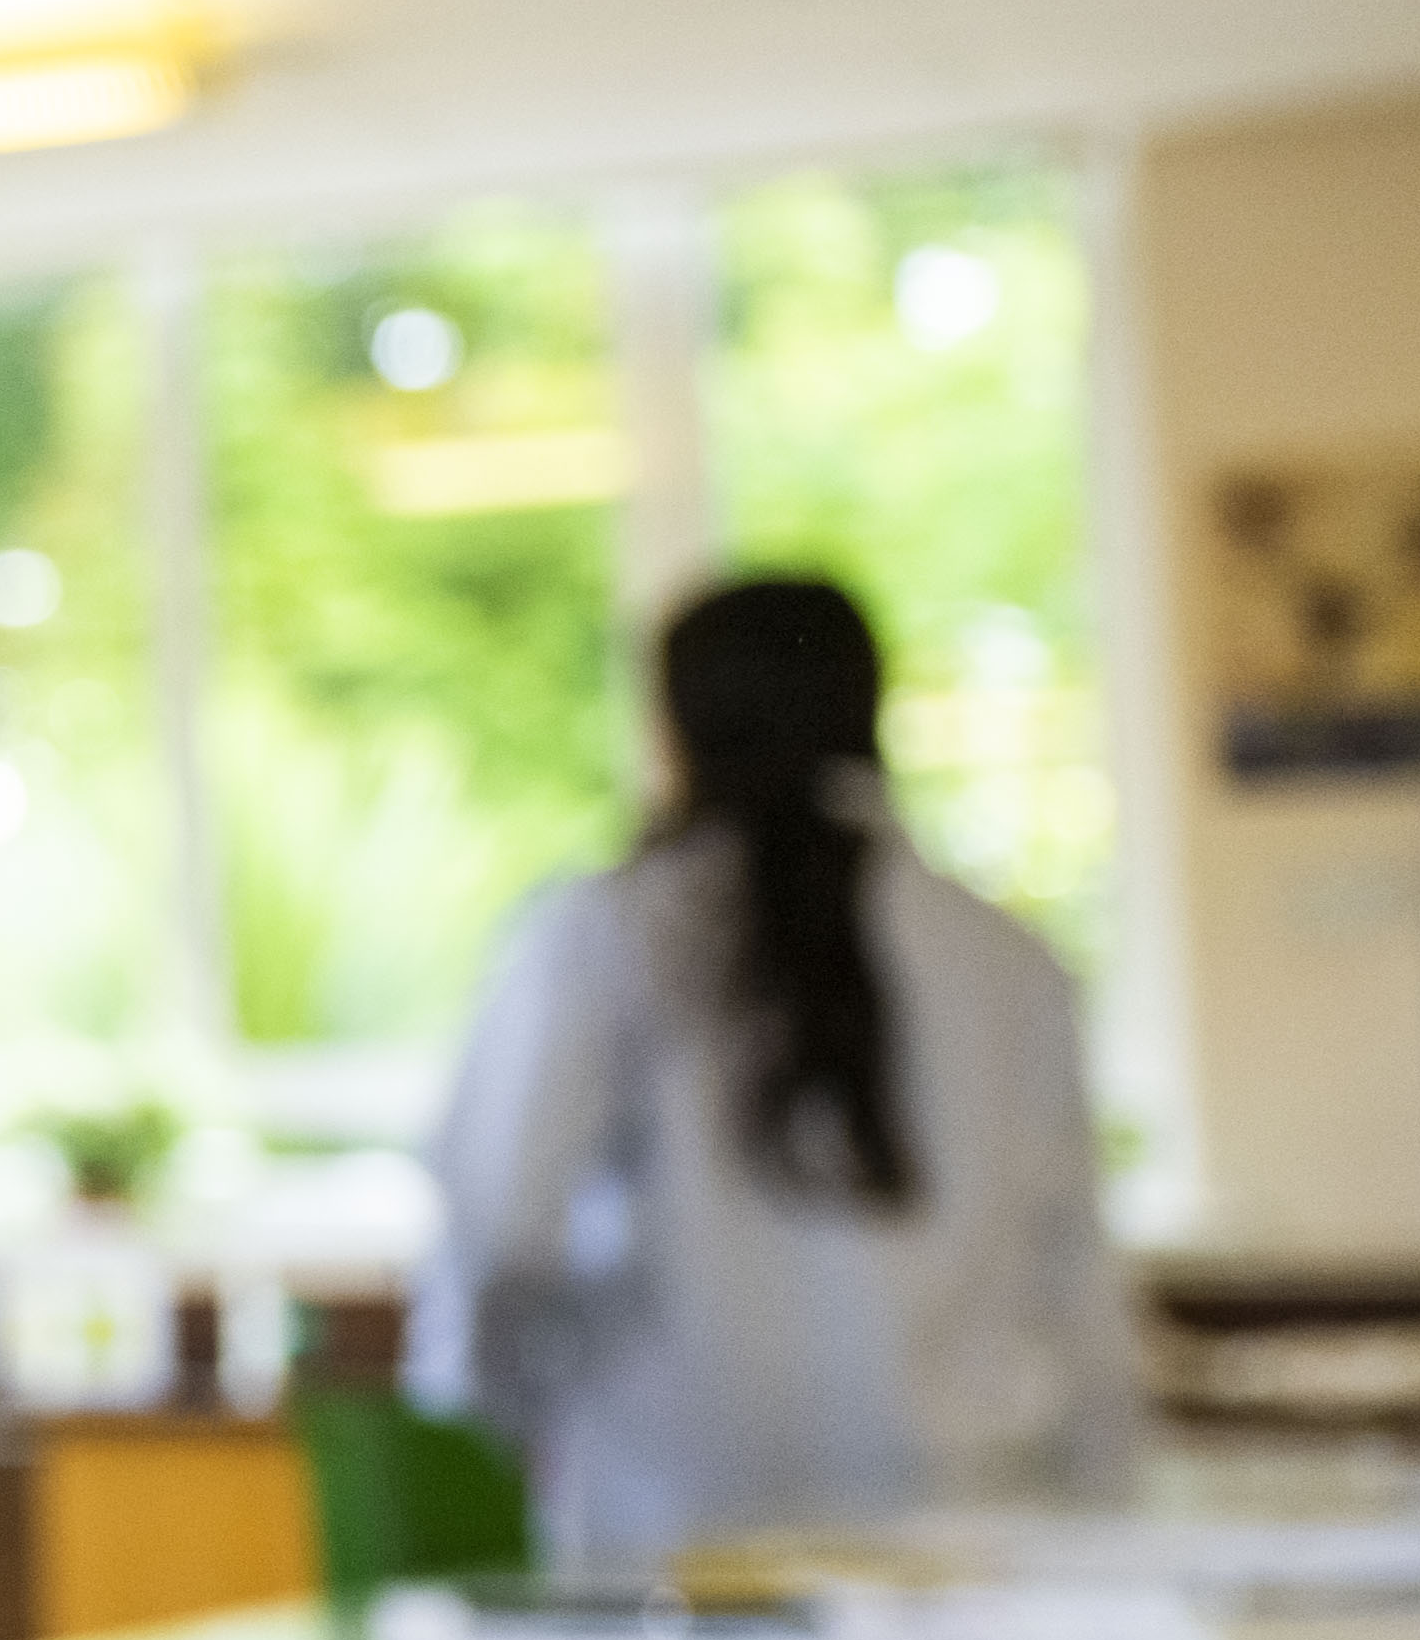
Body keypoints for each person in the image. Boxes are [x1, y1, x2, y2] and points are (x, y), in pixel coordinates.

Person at [420, 573, 1137, 1561]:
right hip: (969, 1537)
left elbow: (498, 1229)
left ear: (674, 725)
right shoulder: (1005, 958)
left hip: (672, 1538)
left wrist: (509, 1407)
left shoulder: (602, 935)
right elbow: (1076, 1278)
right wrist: (1107, 1501)